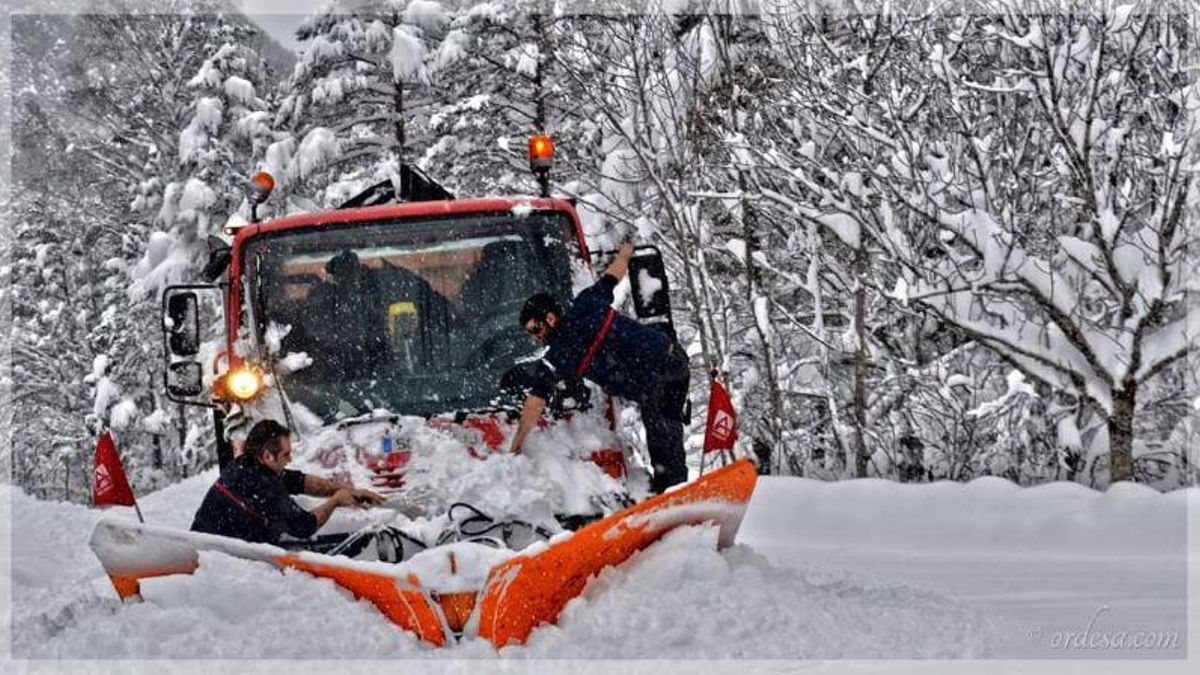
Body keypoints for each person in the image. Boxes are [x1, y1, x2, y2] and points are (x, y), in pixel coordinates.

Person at [510, 243, 690, 493]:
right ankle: (674, 488)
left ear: (550, 318)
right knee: (666, 433)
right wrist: (626, 253)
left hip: (658, 375)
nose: (535, 337)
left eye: (535, 329)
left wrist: (517, 443)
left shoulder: (561, 351)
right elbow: (612, 276)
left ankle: (677, 497)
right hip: (673, 359)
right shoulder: (586, 302)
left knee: (663, 441)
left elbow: (535, 401)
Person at [191, 420, 385, 545]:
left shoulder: (247, 465)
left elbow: (301, 482)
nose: (290, 459)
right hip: (215, 563)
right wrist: (336, 501)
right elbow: (305, 526)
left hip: (209, 546)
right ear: (267, 456)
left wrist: (348, 489)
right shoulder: (265, 488)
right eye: (286, 454)